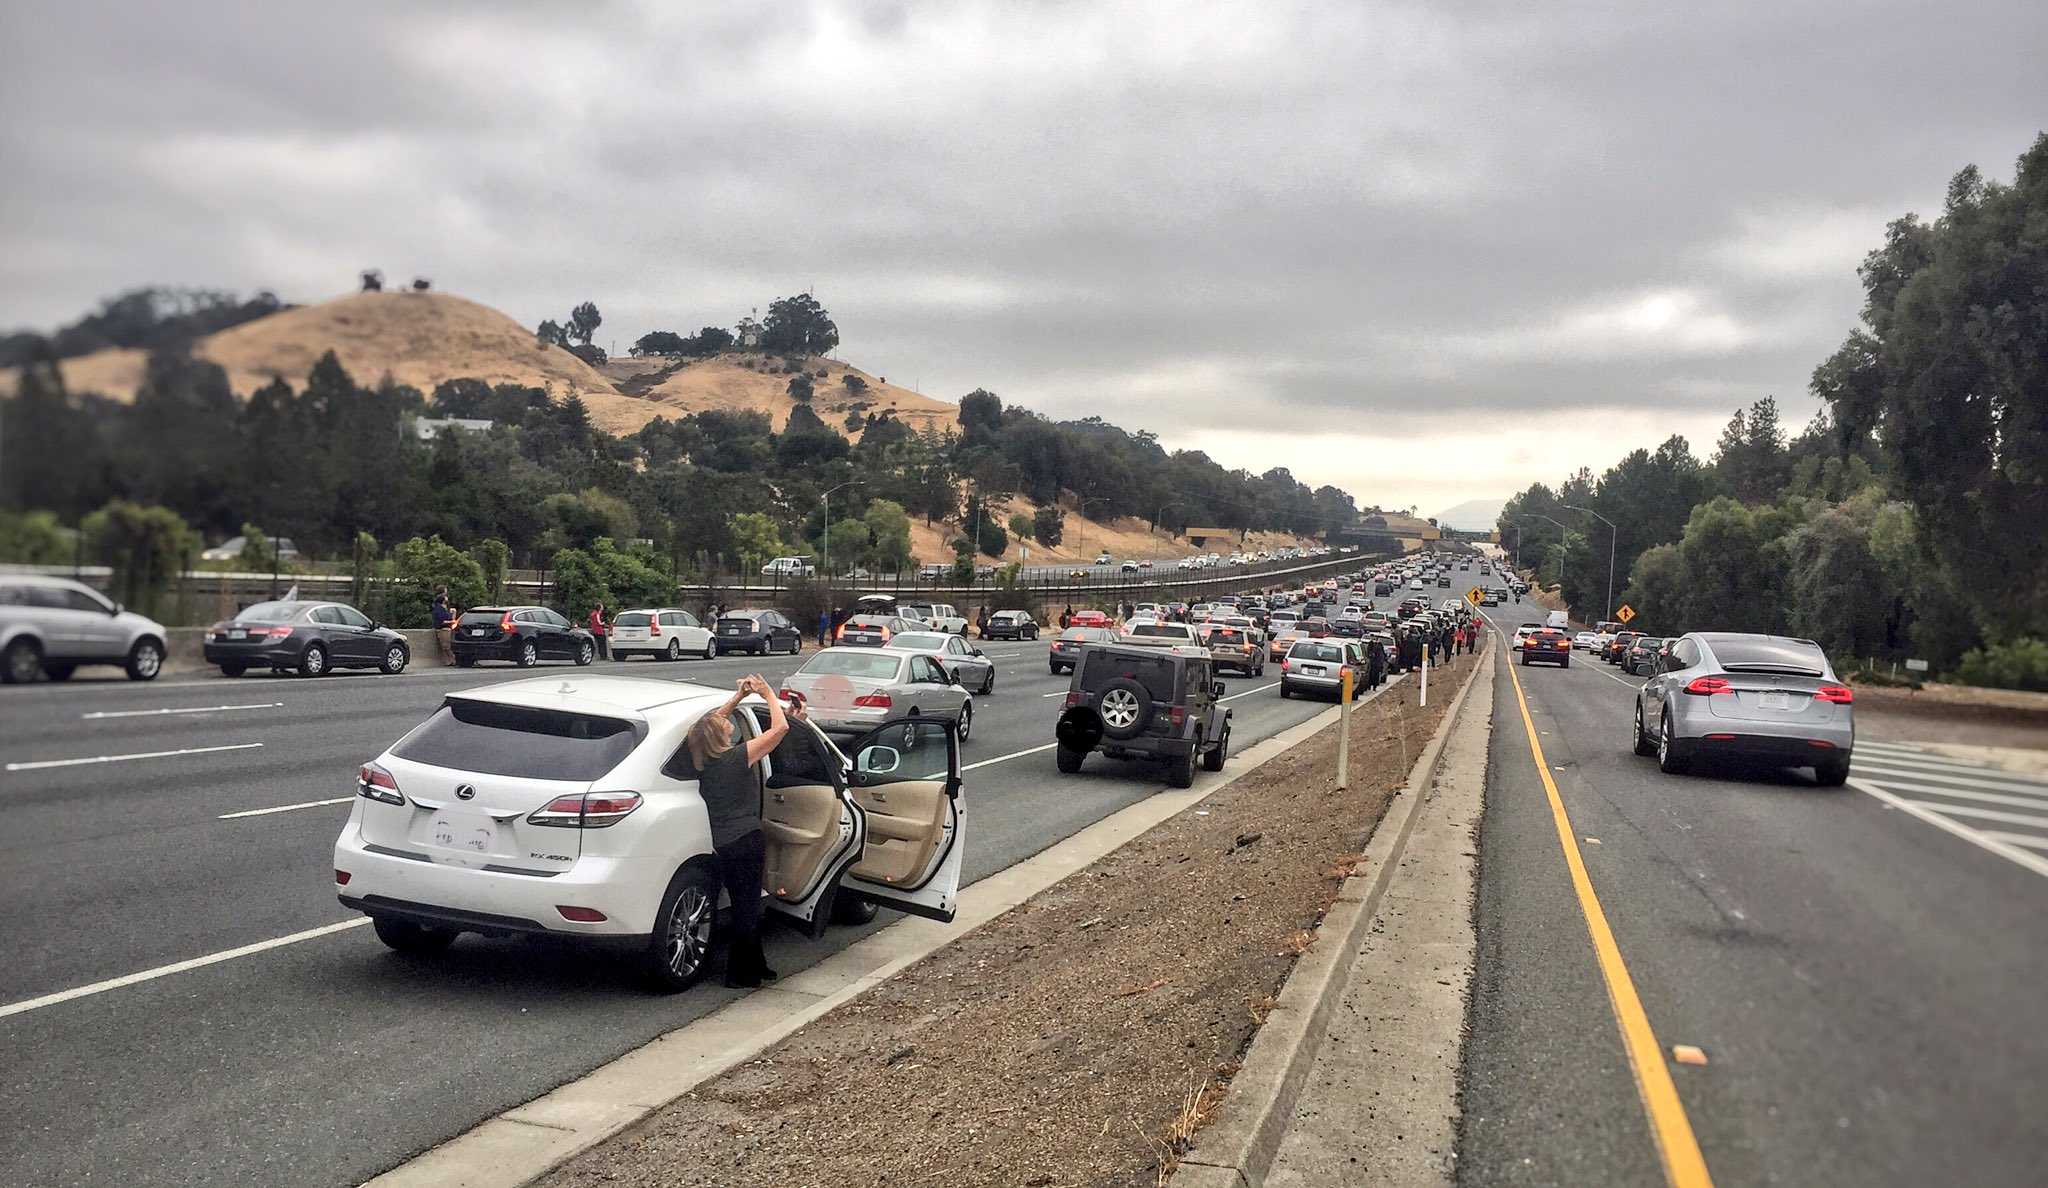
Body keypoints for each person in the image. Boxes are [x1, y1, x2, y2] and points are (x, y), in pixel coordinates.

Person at [684, 675, 790, 988]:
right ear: (720, 737)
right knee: (748, 907)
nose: (728, 724)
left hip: (721, 842)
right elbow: (780, 728)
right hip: (746, 839)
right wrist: (768, 694)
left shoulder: (702, 758)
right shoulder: (736, 757)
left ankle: (757, 965)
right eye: (726, 726)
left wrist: (738, 697)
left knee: (742, 902)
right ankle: (740, 974)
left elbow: (709, 723)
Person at [431, 587, 456, 665]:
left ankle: (452, 660)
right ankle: (450, 660)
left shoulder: (446, 609)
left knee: (448, 645)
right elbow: (442, 621)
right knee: (445, 646)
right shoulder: (438, 608)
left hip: (448, 628)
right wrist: (452, 621)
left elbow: (451, 619)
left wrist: (454, 613)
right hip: (442, 629)